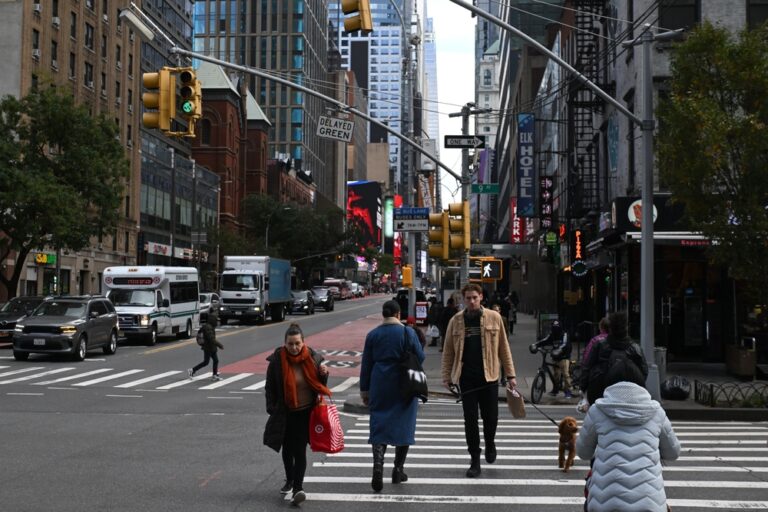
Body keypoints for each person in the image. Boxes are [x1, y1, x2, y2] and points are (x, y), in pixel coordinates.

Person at [441, 283, 517, 478]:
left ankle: (490, 443)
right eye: (468, 298)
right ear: (463, 299)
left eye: (475, 297)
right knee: (470, 420)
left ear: (481, 297)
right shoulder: (456, 321)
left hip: (490, 376)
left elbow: (503, 348)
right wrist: (446, 377)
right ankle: (475, 458)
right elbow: (448, 350)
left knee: (491, 418)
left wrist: (511, 375)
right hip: (466, 378)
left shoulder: (494, 317)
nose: (472, 301)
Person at [577, 381, 681, 511]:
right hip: (650, 505)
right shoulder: (657, 412)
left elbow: (583, 453)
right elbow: (673, 453)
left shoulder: (597, 411)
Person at [360, 300, 425, 493]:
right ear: (398, 314)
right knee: (404, 424)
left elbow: (366, 365)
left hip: (380, 382)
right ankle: (398, 469)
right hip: (404, 382)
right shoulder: (407, 332)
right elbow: (420, 357)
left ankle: (378, 465)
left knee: (379, 422)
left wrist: (365, 391)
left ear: (383, 314)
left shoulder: (373, 335)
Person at [263, 323, 331, 506]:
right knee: (287, 449)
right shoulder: (277, 361)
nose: (294, 347)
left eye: (297, 343)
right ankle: (290, 478)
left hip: (305, 412)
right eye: (290, 344)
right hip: (285, 412)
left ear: (303, 342)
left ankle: (298, 488)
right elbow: (270, 387)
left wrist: (324, 374)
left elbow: (319, 384)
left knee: (299, 450)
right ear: (284, 343)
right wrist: (271, 408)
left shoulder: (313, 358)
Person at [580, 311, 648, 405]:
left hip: (600, 392)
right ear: (626, 328)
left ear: (610, 329)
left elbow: (586, 368)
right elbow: (644, 372)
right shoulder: (635, 348)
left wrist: (583, 388)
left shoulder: (599, 345)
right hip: (630, 394)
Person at [534, 320, 573, 398]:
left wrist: (559, 350)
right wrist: (536, 345)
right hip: (555, 357)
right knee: (556, 375)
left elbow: (565, 344)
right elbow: (545, 340)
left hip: (564, 357)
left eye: (557, 328)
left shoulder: (564, 334)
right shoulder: (552, 335)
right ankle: (555, 389)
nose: (555, 329)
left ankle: (568, 390)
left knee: (565, 374)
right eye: (554, 328)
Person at [188, 313, 223, 380]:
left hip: (211, 347)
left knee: (215, 360)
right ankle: (192, 370)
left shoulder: (210, 327)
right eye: (216, 321)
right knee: (206, 362)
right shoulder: (208, 328)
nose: (217, 322)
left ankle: (215, 375)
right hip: (208, 348)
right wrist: (219, 345)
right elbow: (211, 338)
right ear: (212, 320)